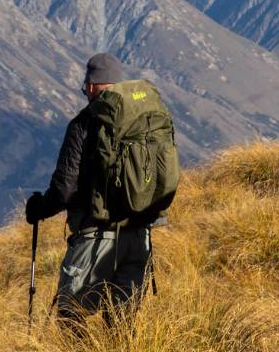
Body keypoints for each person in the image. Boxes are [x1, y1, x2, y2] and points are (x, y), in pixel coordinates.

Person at [24, 52, 174, 328]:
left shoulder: (84, 123)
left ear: (92, 86)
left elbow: (64, 189)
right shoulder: (145, 119)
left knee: (71, 313)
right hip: (140, 236)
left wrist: (38, 209)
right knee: (121, 321)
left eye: (85, 86)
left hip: (96, 237)